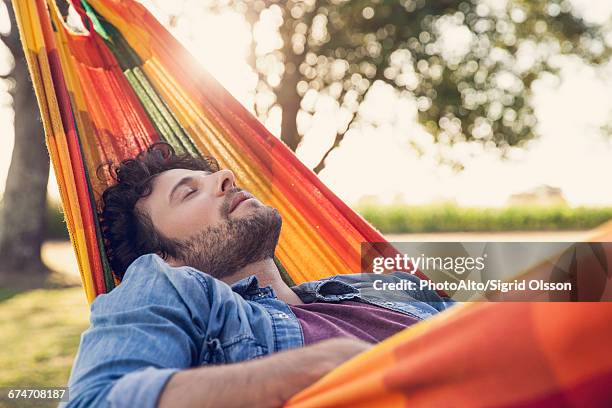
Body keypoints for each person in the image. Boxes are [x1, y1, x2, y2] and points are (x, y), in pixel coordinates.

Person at [64, 142, 454, 408]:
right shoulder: (174, 289)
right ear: (168, 261)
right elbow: (95, 399)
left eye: (211, 176)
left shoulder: (384, 285)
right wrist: (312, 369)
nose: (226, 176)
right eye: (188, 192)